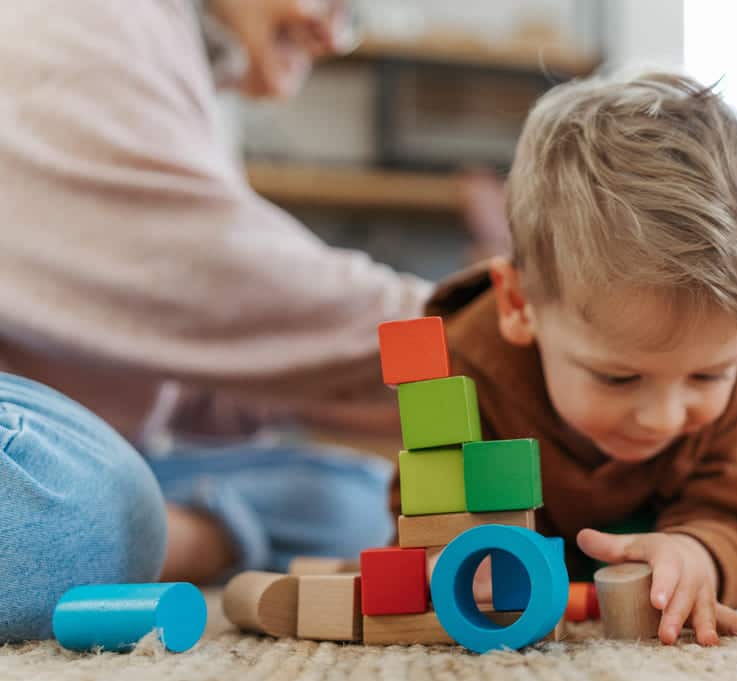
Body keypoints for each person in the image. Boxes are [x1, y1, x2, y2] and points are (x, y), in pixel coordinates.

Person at [0, 0, 503, 640]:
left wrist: (437, 393)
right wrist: (499, 331)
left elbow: (184, 357)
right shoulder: (91, 25)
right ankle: (167, 538)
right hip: (25, 450)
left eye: (350, 15)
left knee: (356, 500)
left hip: (106, 448)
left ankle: (162, 534)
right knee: (66, 511)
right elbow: (225, 283)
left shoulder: (188, 67)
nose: (329, 31)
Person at [400, 72, 737, 646]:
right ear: (519, 305)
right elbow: (419, 523)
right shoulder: (459, 368)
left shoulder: (730, 381)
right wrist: (451, 560)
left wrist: (698, 556)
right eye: (619, 377)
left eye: (707, 375)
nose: (664, 416)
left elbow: (732, 520)